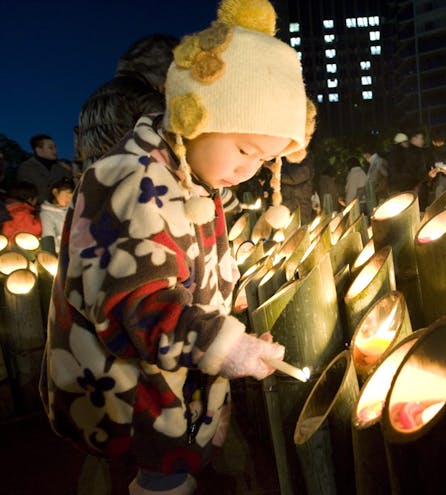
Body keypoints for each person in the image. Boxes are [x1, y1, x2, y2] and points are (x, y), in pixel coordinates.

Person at [39, 1, 316, 493]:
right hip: (126, 396)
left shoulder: (192, 177)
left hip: (166, 386)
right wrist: (221, 344)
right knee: (149, 476)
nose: (248, 170)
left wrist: (234, 339)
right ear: (195, 114)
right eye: (245, 150)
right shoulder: (131, 178)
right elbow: (137, 303)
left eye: (267, 161)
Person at [76, 34, 179, 170]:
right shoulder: (143, 95)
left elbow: (80, 153)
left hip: (98, 182)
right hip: (135, 180)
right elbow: (170, 140)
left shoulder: (90, 101)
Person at [17, 134, 75, 204]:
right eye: (50, 148)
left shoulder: (62, 168)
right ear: (39, 150)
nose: (55, 151)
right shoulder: (26, 168)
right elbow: (26, 195)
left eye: (55, 147)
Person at [39, 176, 75, 253]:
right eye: (67, 195)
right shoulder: (46, 214)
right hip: (60, 254)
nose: (69, 200)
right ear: (55, 192)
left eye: (71, 197)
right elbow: (47, 238)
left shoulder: (70, 210)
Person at [280, 156, 315, 223]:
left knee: (300, 228)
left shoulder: (305, 161)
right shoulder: (287, 160)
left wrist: (276, 173)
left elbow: (294, 178)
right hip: (289, 203)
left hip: (300, 204)